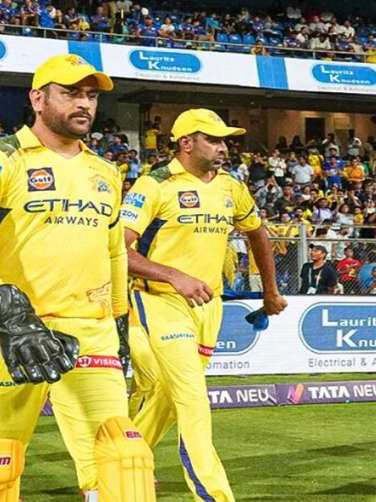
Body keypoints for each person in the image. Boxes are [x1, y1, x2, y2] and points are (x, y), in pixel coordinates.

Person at [0, 54, 154, 502]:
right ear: (38, 99)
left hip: (92, 332)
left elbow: (114, 249)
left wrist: (120, 319)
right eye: (71, 92)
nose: (84, 104)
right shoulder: (0, 158)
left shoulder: (105, 170)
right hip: (16, 333)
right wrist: (2, 308)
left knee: (125, 458)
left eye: (91, 96)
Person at [120, 108, 287, 502]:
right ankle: (213, 495)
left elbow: (257, 233)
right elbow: (116, 249)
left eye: (224, 140)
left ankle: (121, 460)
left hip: (208, 306)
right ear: (186, 143)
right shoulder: (154, 184)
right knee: (192, 395)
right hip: (159, 300)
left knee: (168, 395)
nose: (223, 147)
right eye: (213, 139)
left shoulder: (231, 186)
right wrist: (172, 276)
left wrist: (270, 290)